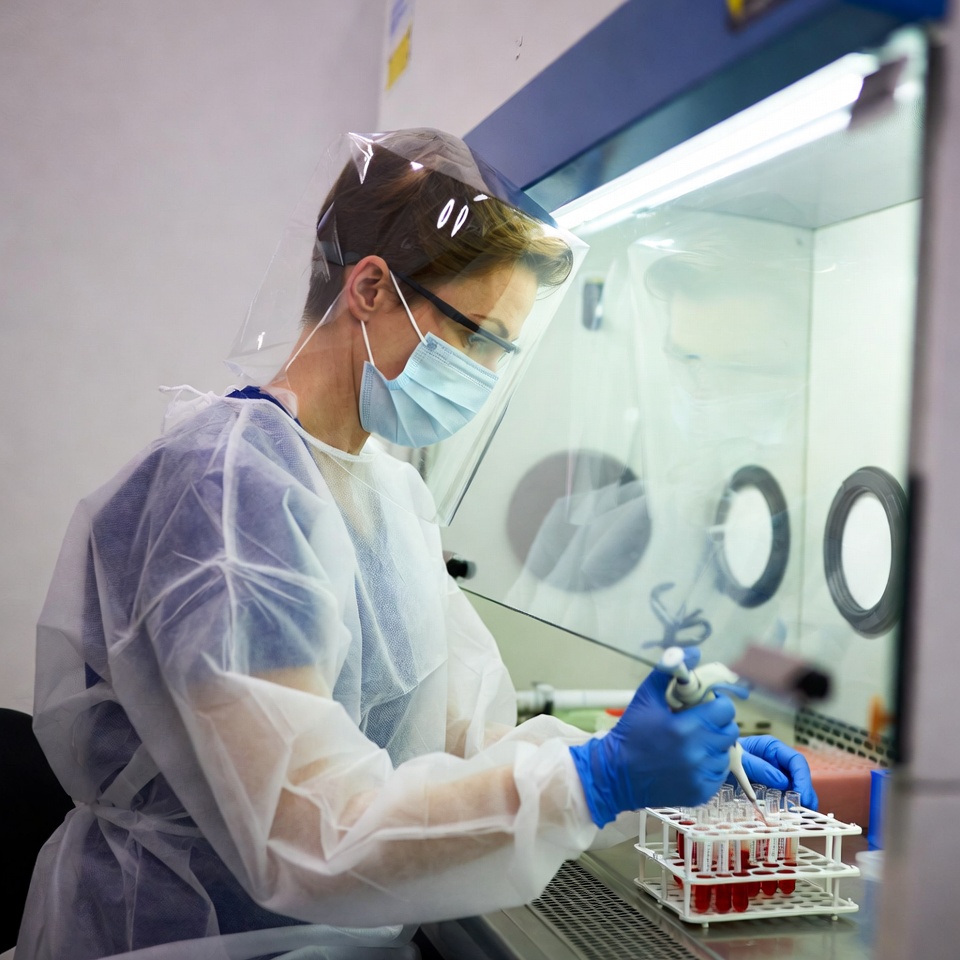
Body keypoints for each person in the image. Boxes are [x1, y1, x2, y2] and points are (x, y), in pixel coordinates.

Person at [19, 129, 816, 960]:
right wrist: (599, 778)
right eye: (475, 336)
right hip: (184, 942)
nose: (481, 371)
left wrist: (669, 781)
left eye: (501, 350)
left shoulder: (389, 495)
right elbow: (304, 831)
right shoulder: (228, 497)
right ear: (370, 288)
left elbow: (470, 743)